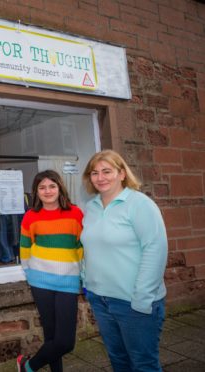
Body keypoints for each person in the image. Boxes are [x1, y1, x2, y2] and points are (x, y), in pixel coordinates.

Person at [80, 149, 167, 372]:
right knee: (118, 361)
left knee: (143, 364)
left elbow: (155, 249)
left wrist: (142, 297)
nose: (101, 177)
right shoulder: (91, 208)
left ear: (121, 174)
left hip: (133, 302)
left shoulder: (140, 204)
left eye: (107, 171)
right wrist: (87, 283)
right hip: (101, 300)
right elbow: (89, 248)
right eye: (95, 172)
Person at [17, 170, 84, 372]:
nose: (47, 191)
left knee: (65, 342)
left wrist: (81, 273)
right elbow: (25, 249)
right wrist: (29, 273)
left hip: (68, 282)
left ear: (60, 187)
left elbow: (81, 246)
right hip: (40, 282)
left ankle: (28, 366)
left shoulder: (75, 213)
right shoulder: (30, 216)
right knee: (51, 335)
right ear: (36, 192)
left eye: (52, 186)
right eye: (42, 187)